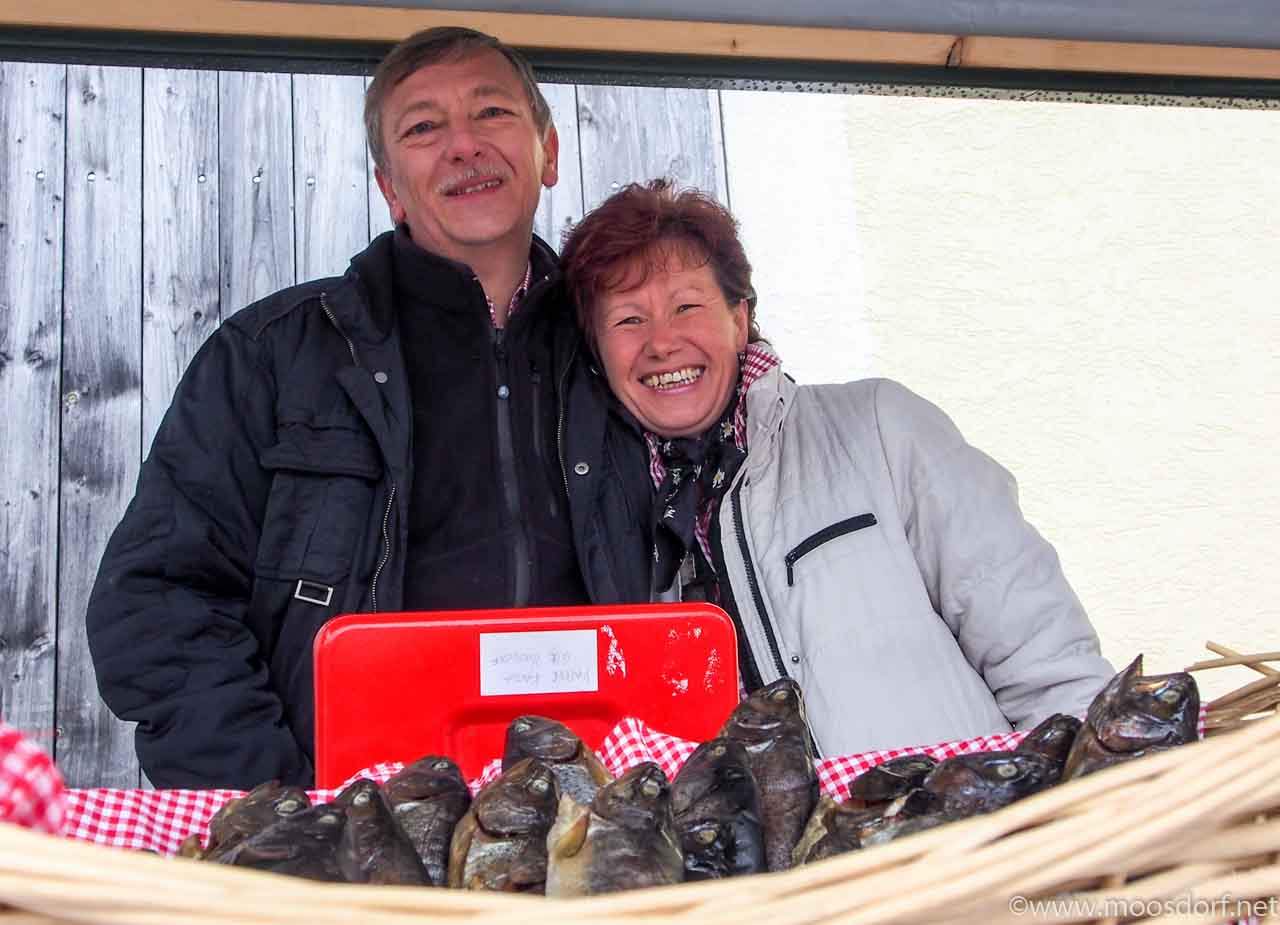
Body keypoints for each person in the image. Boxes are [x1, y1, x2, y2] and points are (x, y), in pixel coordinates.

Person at [85, 27, 628, 789]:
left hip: (596, 806)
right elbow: (160, 598)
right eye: (423, 127)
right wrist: (273, 801)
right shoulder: (272, 354)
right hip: (351, 814)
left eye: (492, 112)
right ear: (390, 187)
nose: (464, 145)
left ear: (549, 152)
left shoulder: (626, 351)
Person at [557, 179, 1116, 758]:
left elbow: (1047, 658)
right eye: (628, 320)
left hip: (960, 812)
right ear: (598, 353)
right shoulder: (602, 533)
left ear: (739, 319)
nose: (661, 343)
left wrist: (1091, 786)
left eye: (686, 306)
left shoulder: (880, 427)